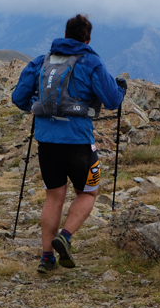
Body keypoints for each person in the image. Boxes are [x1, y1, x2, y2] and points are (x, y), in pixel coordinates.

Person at [11, 14, 126, 273]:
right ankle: (65, 236)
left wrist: (37, 106)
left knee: (54, 197)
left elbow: (18, 98)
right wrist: (121, 89)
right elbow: (112, 100)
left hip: (46, 143)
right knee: (88, 192)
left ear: (65, 35)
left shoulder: (42, 61)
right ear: (88, 38)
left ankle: (46, 258)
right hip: (78, 142)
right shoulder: (91, 62)